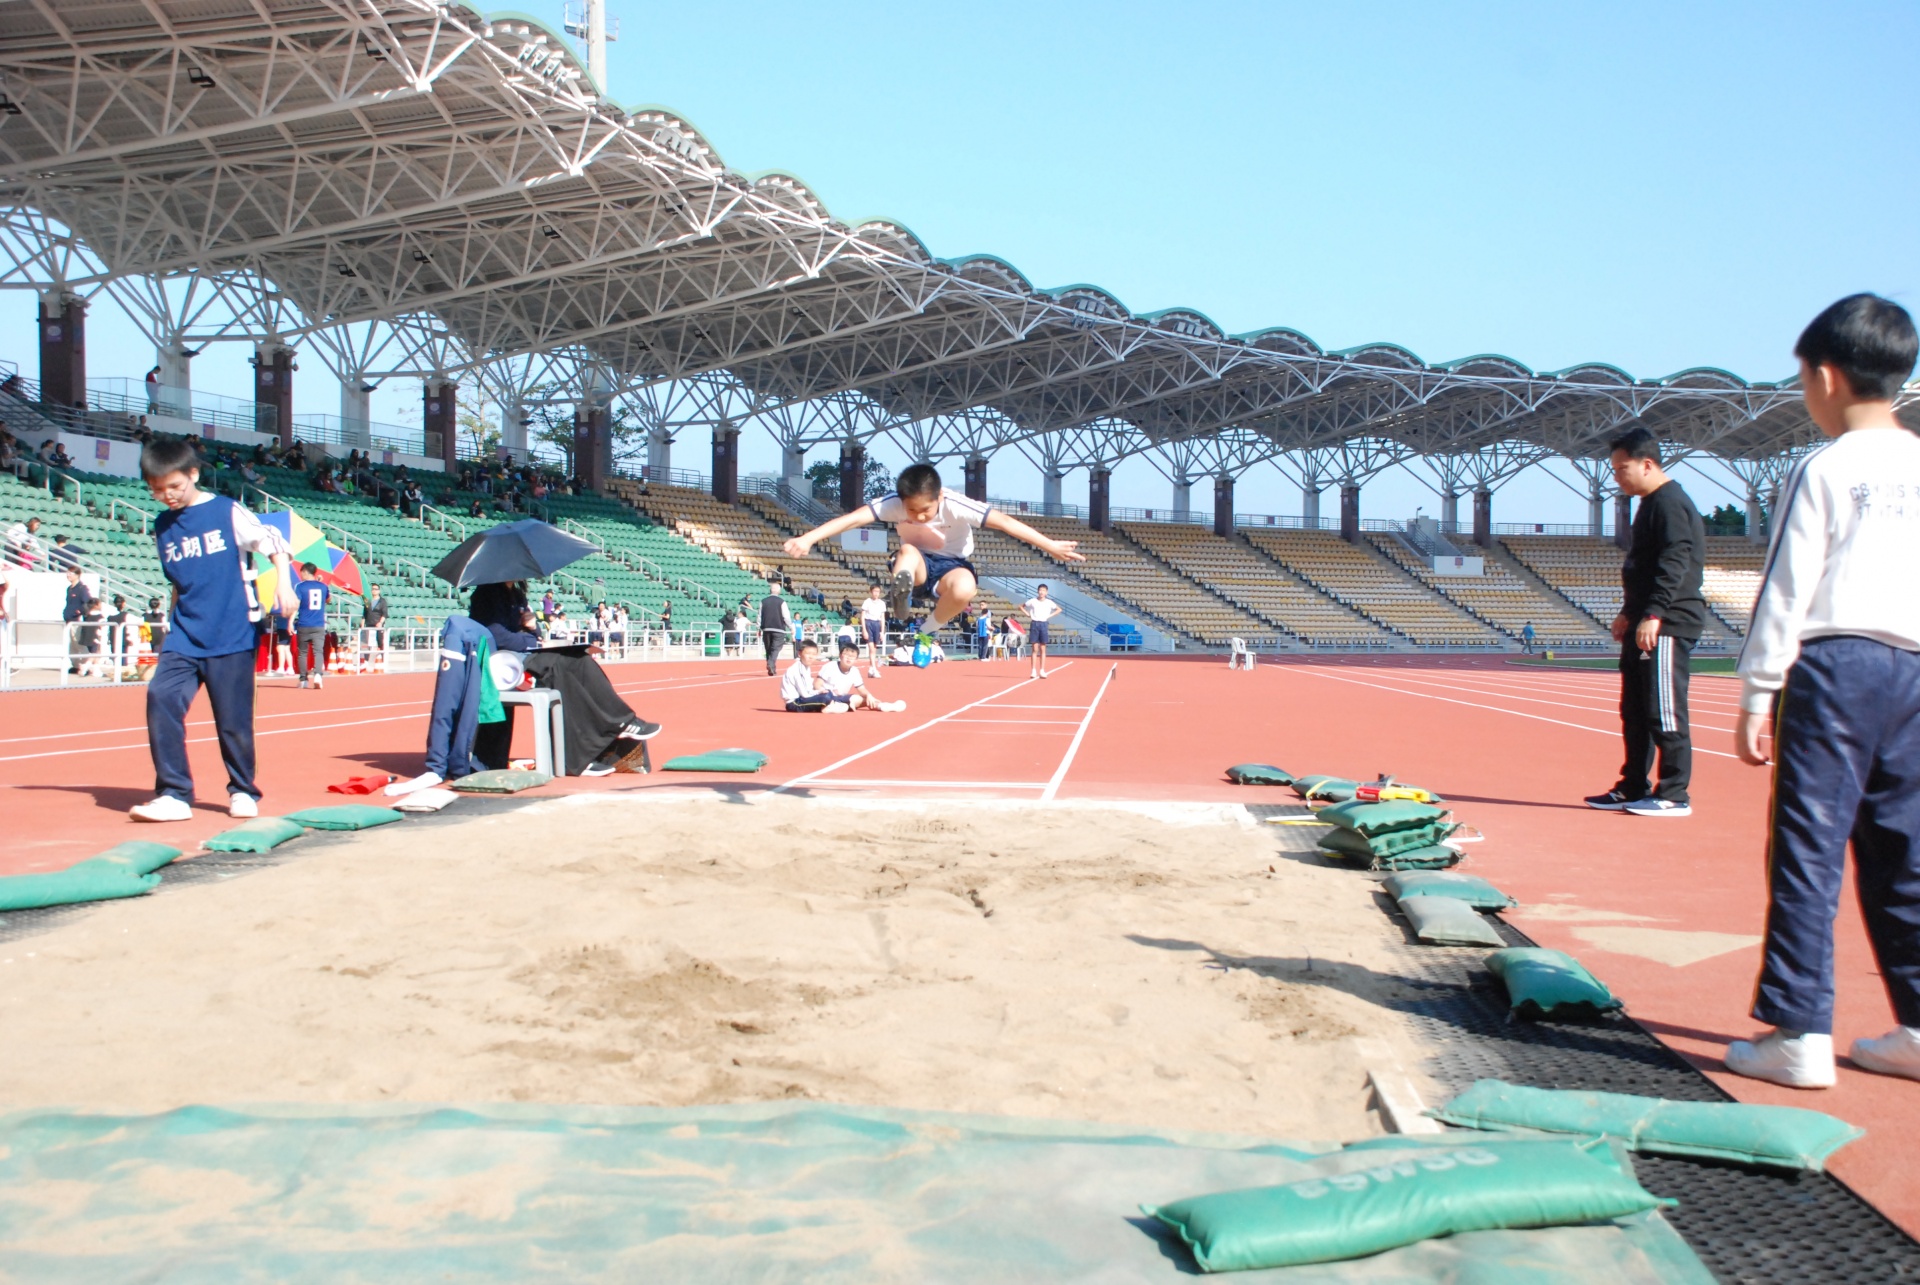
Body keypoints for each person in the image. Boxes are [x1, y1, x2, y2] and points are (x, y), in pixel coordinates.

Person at [1721, 295, 1920, 1090]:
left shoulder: (1824, 467)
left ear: (1826, 377)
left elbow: (1787, 586)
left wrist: (1757, 690)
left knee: (1808, 847)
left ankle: (1797, 1029)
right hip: (1915, 668)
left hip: (1837, 665)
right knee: (1907, 852)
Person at [132, 437, 296, 822]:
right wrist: (171, 625)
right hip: (185, 634)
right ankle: (174, 794)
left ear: (193, 474)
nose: (168, 496)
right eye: (157, 490)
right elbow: (178, 582)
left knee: (233, 721)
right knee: (161, 697)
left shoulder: (226, 511)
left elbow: (273, 540)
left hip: (232, 632)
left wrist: (285, 584)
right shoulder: (163, 525)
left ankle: (242, 790)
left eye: (175, 486)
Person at [780, 463, 1084, 643]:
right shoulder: (893, 503)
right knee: (907, 550)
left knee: (966, 588)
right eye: (911, 511)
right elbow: (853, 519)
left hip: (952, 566)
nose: (920, 516)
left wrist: (1049, 544)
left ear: (939, 496)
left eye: (925, 509)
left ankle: (926, 631)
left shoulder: (956, 504)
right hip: (917, 564)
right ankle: (901, 593)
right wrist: (809, 538)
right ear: (902, 501)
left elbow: (1004, 522)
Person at [1582, 426, 1707, 818]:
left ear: (1647, 464)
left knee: (1662, 709)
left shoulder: (1670, 503)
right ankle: (1632, 785)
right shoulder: (1649, 504)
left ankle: (1674, 793)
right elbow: (1643, 568)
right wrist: (1629, 612)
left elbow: (1675, 561)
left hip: (1668, 622)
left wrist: (1654, 613)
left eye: (1622, 469)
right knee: (1634, 711)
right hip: (1643, 620)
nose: (1616, 477)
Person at [466, 581, 661, 776]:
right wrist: (531, 639)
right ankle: (607, 734)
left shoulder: (516, 595)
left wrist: (532, 627)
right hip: (502, 664)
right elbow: (499, 637)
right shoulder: (486, 594)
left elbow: (533, 635)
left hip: (523, 655)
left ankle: (617, 727)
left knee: (581, 659)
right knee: (561, 666)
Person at [822, 641, 907, 713]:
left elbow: (861, 688)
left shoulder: (854, 671)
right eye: (846, 655)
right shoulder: (830, 666)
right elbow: (817, 684)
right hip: (825, 697)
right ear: (840, 655)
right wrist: (826, 693)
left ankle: (882, 706)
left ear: (856, 659)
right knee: (828, 699)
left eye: (852, 657)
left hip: (840, 698)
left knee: (862, 699)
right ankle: (833, 706)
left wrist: (869, 695)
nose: (849, 658)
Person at [290, 562, 330, 689]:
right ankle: (318, 674)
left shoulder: (300, 586)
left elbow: (296, 605)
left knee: (302, 652)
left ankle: (303, 679)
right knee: (318, 651)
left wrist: (290, 621)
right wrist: (320, 583)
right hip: (318, 624)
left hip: (304, 623)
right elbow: (328, 599)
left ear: (305, 572)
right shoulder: (323, 586)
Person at [780, 639, 833, 712]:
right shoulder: (797, 669)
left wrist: (821, 691)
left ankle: (829, 705)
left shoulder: (806, 667)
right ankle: (829, 706)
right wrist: (818, 692)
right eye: (808, 653)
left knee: (828, 693)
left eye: (814, 654)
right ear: (800, 654)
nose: (811, 657)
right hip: (795, 703)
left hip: (802, 699)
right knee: (826, 697)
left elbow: (809, 689)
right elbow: (805, 694)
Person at [1024, 583, 1062, 680]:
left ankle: (1042, 670)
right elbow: (1021, 606)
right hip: (1034, 623)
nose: (1042, 592)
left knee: (1043, 648)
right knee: (1034, 648)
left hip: (1044, 624)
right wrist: (1027, 614)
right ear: (1038, 591)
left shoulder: (1049, 602)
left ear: (1046, 592)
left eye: (1044, 590)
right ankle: (1033, 670)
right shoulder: (1032, 601)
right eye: (1040, 590)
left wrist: (1049, 616)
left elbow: (1059, 609)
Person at [61, 566, 93, 674]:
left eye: (71, 573)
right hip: (69, 620)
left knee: (79, 643)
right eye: (67, 573)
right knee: (72, 645)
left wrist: (78, 612)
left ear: (77, 575)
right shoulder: (69, 588)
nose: (68, 575)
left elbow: (87, 603)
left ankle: (85, 665)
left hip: (77, 621)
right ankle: (76, 665)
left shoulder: (82, 588)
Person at [759, 580, 794, 676]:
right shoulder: (782, 602)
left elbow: (759, 616)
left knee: (768, 649)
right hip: (778, 628)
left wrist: (758, 628)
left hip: (766, 628)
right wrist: (791, 627)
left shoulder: (763, 601)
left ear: (770, 590)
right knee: (775, 648)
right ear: (779, 591)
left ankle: (772, 668)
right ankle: (770, 664)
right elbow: (786, 617)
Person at [858, 584, 888, 677]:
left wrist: (882, 632)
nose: (876, 593)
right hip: (869, 623)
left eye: (878, 591)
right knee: (871, 648)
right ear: (871, 592)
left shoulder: (882, 603)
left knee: (874, 648)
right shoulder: (867, 602)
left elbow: (882, 618)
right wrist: (864, 630)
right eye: (874, 591)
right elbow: (862, 617)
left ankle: (871, 668)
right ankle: (874, 669)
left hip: (877, 624)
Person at [362, 583, 389, 653]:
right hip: (369, 624)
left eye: (376, 589)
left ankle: (381, 656)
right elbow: (364, 614)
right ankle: (367, 658)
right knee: (367, 643)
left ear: (379, 591)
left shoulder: (382, 601)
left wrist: (380, 622)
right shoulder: (368, 600)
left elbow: (384, 614)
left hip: (378, 624)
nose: (374, 590)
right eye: (372, 589)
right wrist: (362, 624)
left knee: (380, 641)